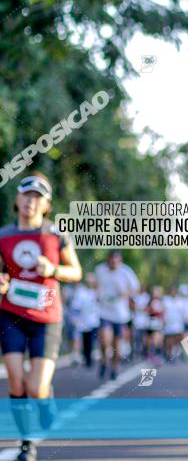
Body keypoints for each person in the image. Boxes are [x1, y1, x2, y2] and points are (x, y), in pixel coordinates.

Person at [0, 173, 83, 461]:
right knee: (15, 382)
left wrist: (53, 270)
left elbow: (76, 271)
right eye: (26, 195)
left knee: (35, 387)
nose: (30, 201)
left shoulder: (56, 235)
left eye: (37, 197)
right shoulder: (4, 236)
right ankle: (26, 443)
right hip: (10, 314)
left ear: (46, 204)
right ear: (17, 199)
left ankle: (46, 401)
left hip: (47, 317)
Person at [94, 249, 140, 380]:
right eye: (111, 259)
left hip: (120, 314)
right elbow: (96, 284)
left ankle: (114, 368)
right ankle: (103, 360)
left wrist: (125, 293)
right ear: (108, 259)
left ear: (120, 261)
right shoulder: (100, 270)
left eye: (116, 260)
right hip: (104, 312)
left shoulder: (126, 272)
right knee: (105, 340)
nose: (113, 262)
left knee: (116, 345)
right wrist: (98, 293)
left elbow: (136, 287)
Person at [70, 273, 100, 368]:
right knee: (85, 340)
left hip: (95, 321)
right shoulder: (81, 291)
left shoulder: (97, 291)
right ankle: (86, 358)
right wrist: (75, 319)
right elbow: (76, 306)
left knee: (92, 340)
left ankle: (89, 357)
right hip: (83, 321)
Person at [162, 285, 186, 362]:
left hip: (178, 323)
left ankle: (176, 353)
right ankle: (169, 353)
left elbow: (183, 312)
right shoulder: (165, 300)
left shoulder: (180, 301)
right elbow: (163, 310)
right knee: (169, 339)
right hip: (168, 322)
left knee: (178, 338)